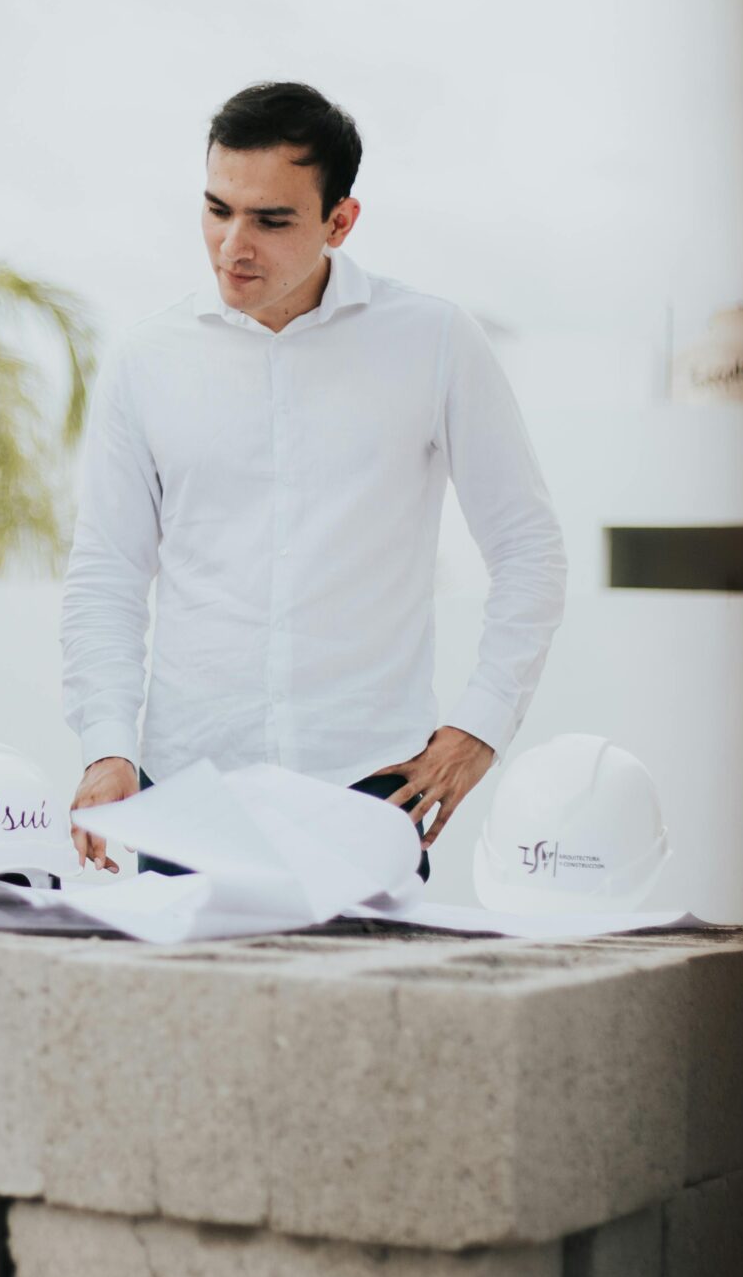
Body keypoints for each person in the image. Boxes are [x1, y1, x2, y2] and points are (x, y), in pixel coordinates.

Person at [61, 82, 566, 878]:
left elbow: (528, 548)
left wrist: (480, 728)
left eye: (271, 219)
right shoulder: (146, 361)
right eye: (217, 209)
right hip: (189, 794)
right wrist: (106, 747)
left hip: (369, 790)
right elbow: (107, 574)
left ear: (340, 221)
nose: (234, 244)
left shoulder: (434, 341)